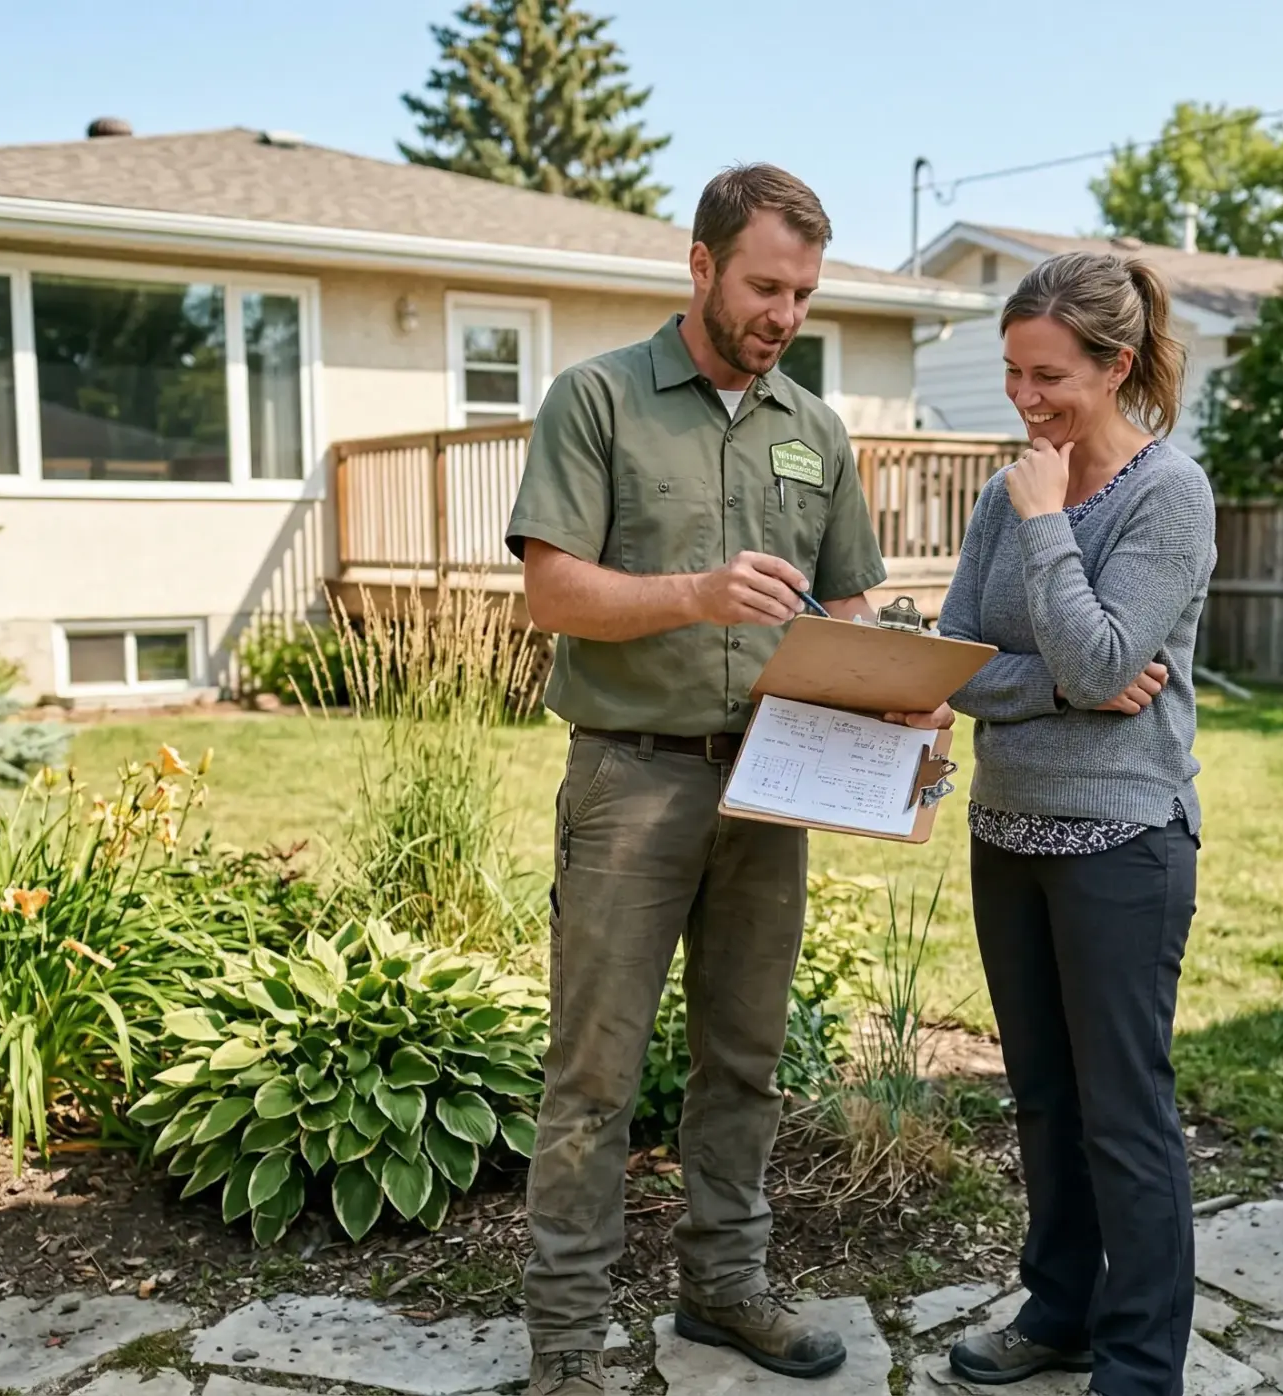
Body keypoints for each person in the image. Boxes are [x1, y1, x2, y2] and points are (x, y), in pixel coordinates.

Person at [504, 163, 933, 1396]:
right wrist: (694, 592)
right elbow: (550, 591)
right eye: (763, 286)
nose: (783, 314)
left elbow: (849, 603)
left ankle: (724, 1286)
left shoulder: (816, 429)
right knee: (594, 1073)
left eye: (801, 293)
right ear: (699, 267)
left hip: (773, 781)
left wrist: (897, 701)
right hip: (632, 780)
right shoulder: (600, 399)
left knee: (743, 1059)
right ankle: (569, 1344)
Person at [936, 251, 1217, 1396]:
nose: (1026, 398)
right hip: (1007, 832)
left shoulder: (1167, 494)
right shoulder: (1005, 494)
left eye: (1047, 374)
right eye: (1012, 371)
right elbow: (959, 662)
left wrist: (1050, 532)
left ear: (1113, 366)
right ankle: (1060, 1310)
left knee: (1124, 1113)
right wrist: (1060, 682)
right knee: (1044, 1098)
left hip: (1121, 843)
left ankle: (1140, 1365)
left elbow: (1109, 649)